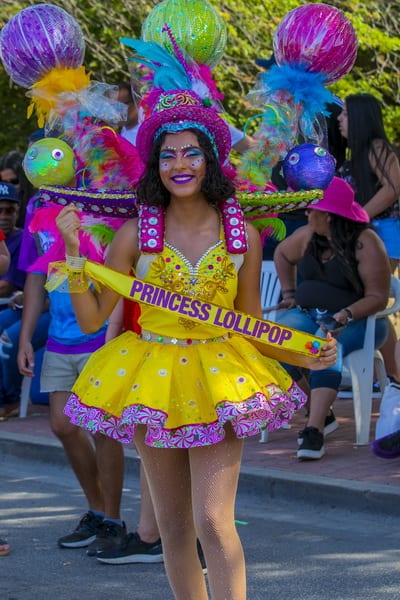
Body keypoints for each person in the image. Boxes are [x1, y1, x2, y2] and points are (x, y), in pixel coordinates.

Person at [53, 87, 336, 599]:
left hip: (219, 379)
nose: (178, 164)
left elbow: (251, 324)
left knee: (213, 518)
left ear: (210, 161)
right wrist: (74, 253)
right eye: (166, 154)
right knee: (172, 524)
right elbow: (93, 319)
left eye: (191, 152)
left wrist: (308, 353)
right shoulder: (136, 233)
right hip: (150, 379)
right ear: (154, 164)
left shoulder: (242, 236)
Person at [17, 193, 127, 556]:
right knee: (63, 426)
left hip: (99, 336)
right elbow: (35, 279)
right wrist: (26, 338)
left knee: (103, 428)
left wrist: (113, 332)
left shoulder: (102, 198)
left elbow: (120, 272)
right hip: (60, 338)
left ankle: (113, 520)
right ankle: (96, 510)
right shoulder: (36, 209)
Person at [274, 176, 391, 460]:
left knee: (324, 346)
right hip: (309, 314)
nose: (307, 213)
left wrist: (346, 313)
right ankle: (322, 412)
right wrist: (289, 292)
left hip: (360, 322)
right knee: (274, 343)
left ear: (328, 216)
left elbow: (378, 296)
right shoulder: (309, 236)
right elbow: (281, 254)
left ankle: (313, 431)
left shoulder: (365, 242)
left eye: (313, 209)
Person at [337, 93, 400, 386]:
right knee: (371, 305)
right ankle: (389, 374)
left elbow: (393, 187)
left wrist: (358, 215)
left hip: (383, 233)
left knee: (372, 298)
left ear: (361, 118)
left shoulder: (377, 148)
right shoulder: (357, 154)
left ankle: (389, 373)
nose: (340, 119)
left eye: (346, 114)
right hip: (368, 233)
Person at [0, 182, 25, 299]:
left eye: (10, 210)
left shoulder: (24, 239)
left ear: (17, 213)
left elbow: (5, 287)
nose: (3, 216)